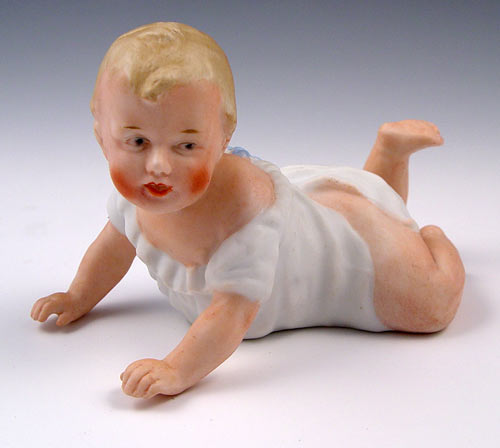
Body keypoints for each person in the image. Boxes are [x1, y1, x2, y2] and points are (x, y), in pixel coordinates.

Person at [31, 22, 465, 399]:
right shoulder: (140, 196)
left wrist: (176, 369)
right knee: (373, 213)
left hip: (339, 257)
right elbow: (113, 247)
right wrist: (78, 296)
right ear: (102, 136)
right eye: (138, 142)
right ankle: (389, 162)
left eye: (187, 145)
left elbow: (233, 313)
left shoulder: (244, 217)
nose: (158, 165)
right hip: (314, 217)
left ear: (223, 138)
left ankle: (426, 229)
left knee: (430, 304)